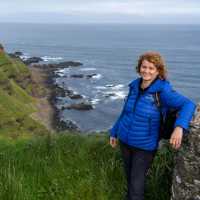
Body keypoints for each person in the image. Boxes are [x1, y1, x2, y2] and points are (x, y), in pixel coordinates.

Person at [109, 51, 196, 200]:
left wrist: (179, 128)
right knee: (130, 179)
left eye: (151, 68)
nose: (146, 71)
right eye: (144, 67)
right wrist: (114, 132)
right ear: (139, 68)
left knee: (137, 185)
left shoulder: (163, 91)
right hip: (125, 141)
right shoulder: (134, 86)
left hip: (144, 147)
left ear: (158, 71)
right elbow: (126, 112)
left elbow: (189, 104)